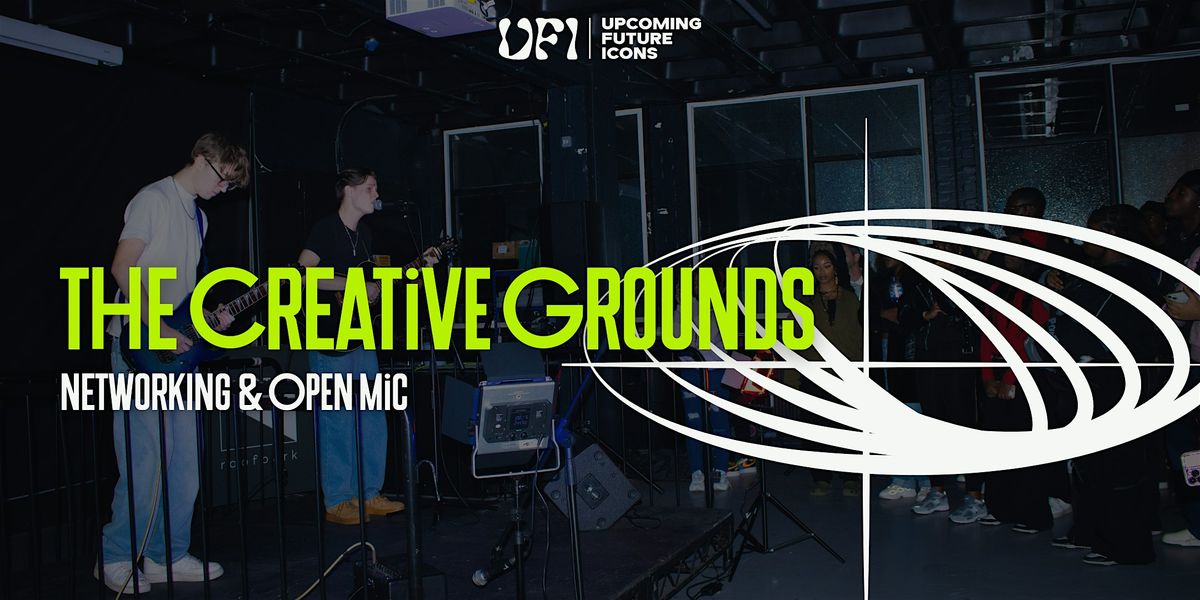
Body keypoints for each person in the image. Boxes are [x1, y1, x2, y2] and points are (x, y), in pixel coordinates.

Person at [99, 133, 247, 593]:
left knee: (185, 463)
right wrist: (159, 327)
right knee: (144, 462)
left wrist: (206, 318)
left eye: (230, 185)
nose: (224, 189)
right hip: (139, 346)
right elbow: (122, 267)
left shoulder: (199, 217)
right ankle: (116, 556)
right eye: (223, 179)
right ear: (201, 159)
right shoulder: (153, 199)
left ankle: (166, 554)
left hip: (179, 356)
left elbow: (182, 292)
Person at [1049, 204, 1160, 566]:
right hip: (1096, 378)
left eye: (1092, 229)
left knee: (1118, 464)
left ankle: (1125, 545)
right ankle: (1091, 532)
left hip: (1115, 380)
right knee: (1091, 463)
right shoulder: (1101, 273)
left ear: (1111, 234)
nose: (1085, 236)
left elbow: (1094, 327)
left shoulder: (1126, 276)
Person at [298, 167, 406, 525]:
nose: (377, 193)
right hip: (328, 337)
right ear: (348, 190)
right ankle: (338, 500)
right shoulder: (325, 229)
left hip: (361, 334)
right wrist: (349, 285)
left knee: (372, 415)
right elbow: (301, 274)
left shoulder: (365, 235)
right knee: (337, 418)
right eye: (370, 187)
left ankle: (369, 492)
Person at [797, 249, 863, 496]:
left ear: (835, 268)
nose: (822, 272)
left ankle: (850, 476)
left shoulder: (851, 299)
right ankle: (821, 477)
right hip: (816, 372)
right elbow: (798, 341)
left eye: (826, 266)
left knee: (848, 425)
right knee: (817, 426)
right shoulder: (807, 302)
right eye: (816, 268)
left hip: (848, 371)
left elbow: (859, 335)